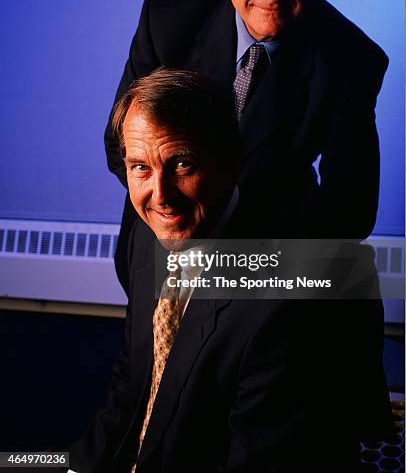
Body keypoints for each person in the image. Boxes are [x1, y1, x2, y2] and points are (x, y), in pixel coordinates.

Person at [69, 69, 393, 473]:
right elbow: (133, 389)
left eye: (182, 164)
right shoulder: (145, 235)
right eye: (140, 168)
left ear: (230, 161)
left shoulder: (291, 295)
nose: (160, 195)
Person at [104, 0, 389, 293]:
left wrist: (246, 263)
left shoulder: (352, 61)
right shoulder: (166, 21)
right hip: (159, 250)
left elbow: (351, 210)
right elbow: (119, 147)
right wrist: (178, 219)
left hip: (260, 266)